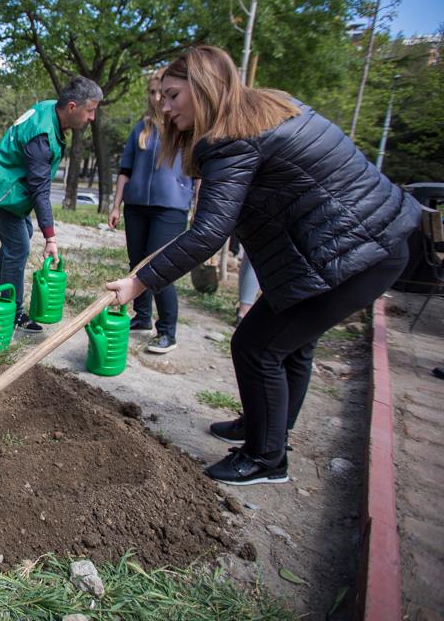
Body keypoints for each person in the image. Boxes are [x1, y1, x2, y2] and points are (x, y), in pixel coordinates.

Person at [106, 45, 420, 486]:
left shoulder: (228, 139)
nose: (165, 106)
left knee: (256, 346)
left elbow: (210, 232)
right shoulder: (266, 109)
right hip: (361, 243)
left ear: (204, 87)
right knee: (292, 345)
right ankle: (267, 429)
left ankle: (266, 458)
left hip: (357, 253)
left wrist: (139, 282)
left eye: (173, 95)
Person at [0, 77, 103, 332]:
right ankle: (12, 311)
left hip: (10, 185)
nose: (92, 118)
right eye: (90, 110)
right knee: (19, 247)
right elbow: (40, 190)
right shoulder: (42, 137)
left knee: (21, 235)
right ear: (72, 107)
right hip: (4, 191)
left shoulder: (51, 108)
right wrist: (50, 238)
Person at [107, 70, 193, 354]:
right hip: (136, 207)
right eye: (153, 92)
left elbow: (199, 174)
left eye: (164, 93)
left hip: (170, 208)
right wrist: (116, 205)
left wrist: (199, 209)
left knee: (160, 267)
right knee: (137, 264)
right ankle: (142, 317)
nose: (157, 98)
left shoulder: (184, 127)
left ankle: (167, 331)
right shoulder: (140, 128)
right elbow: (125, 171)